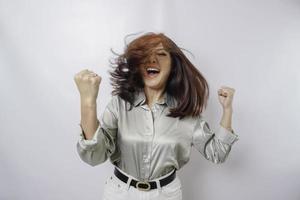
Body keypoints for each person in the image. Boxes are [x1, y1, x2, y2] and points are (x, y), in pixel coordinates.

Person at [74, 32, 239, 200]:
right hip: (119, 193)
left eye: (161, 54)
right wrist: (88, 102)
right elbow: (94, 156)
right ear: (138, 64)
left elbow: (217, 153)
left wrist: (227, 110)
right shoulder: (120, 104)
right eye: (145, 55)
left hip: (166, 195)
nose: (152, 59)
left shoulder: (186, 113)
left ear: (173, 65)